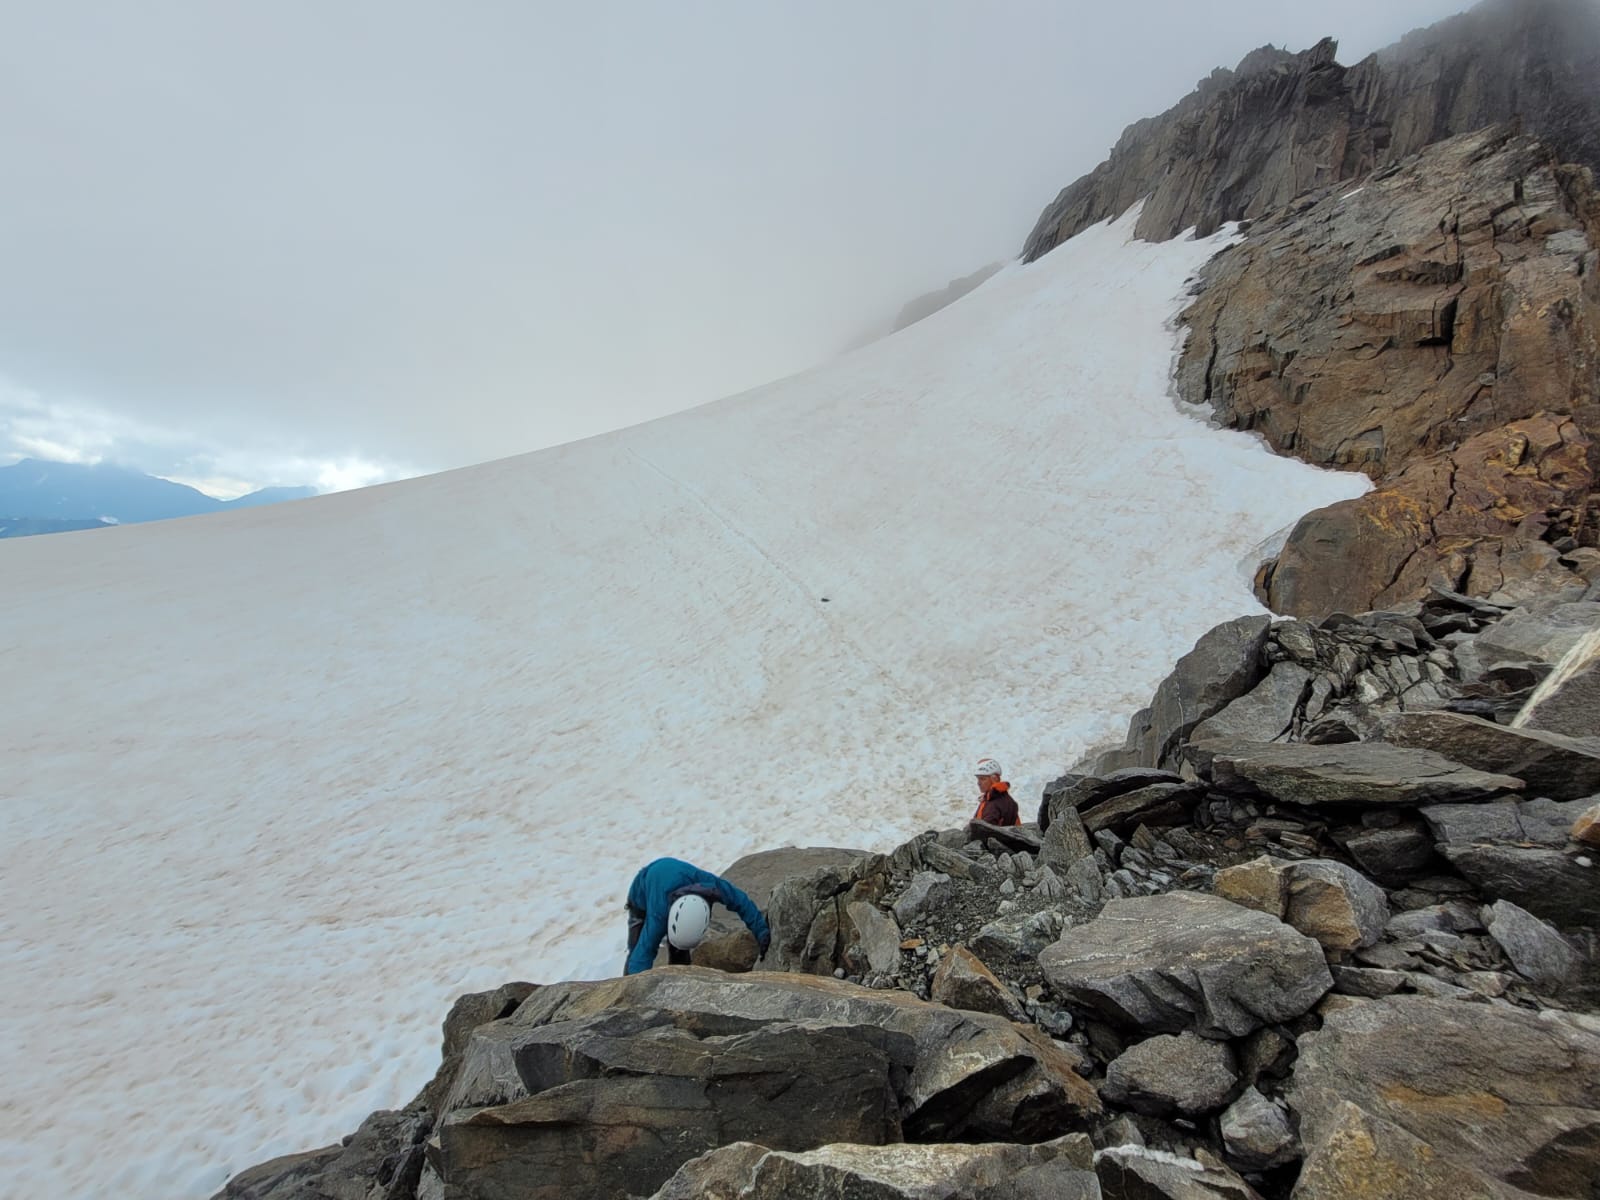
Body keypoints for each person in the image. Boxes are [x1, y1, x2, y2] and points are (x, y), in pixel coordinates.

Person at [624, 857, 771, 975]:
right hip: (642, 894)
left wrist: (761, 932)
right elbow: (641, 956)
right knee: (635, 948)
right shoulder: (658, 916)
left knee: (680, 954)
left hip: (671, 877)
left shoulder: (711, 886)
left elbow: (741, 902)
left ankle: (680, 984)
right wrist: (632, 991)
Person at [971, 757, 1020, 826]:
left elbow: (984, 830)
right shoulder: (1005, 800)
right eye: (978, 779)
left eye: (982, 779)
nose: (978, 783)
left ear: (995, 779)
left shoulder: (994, 804)